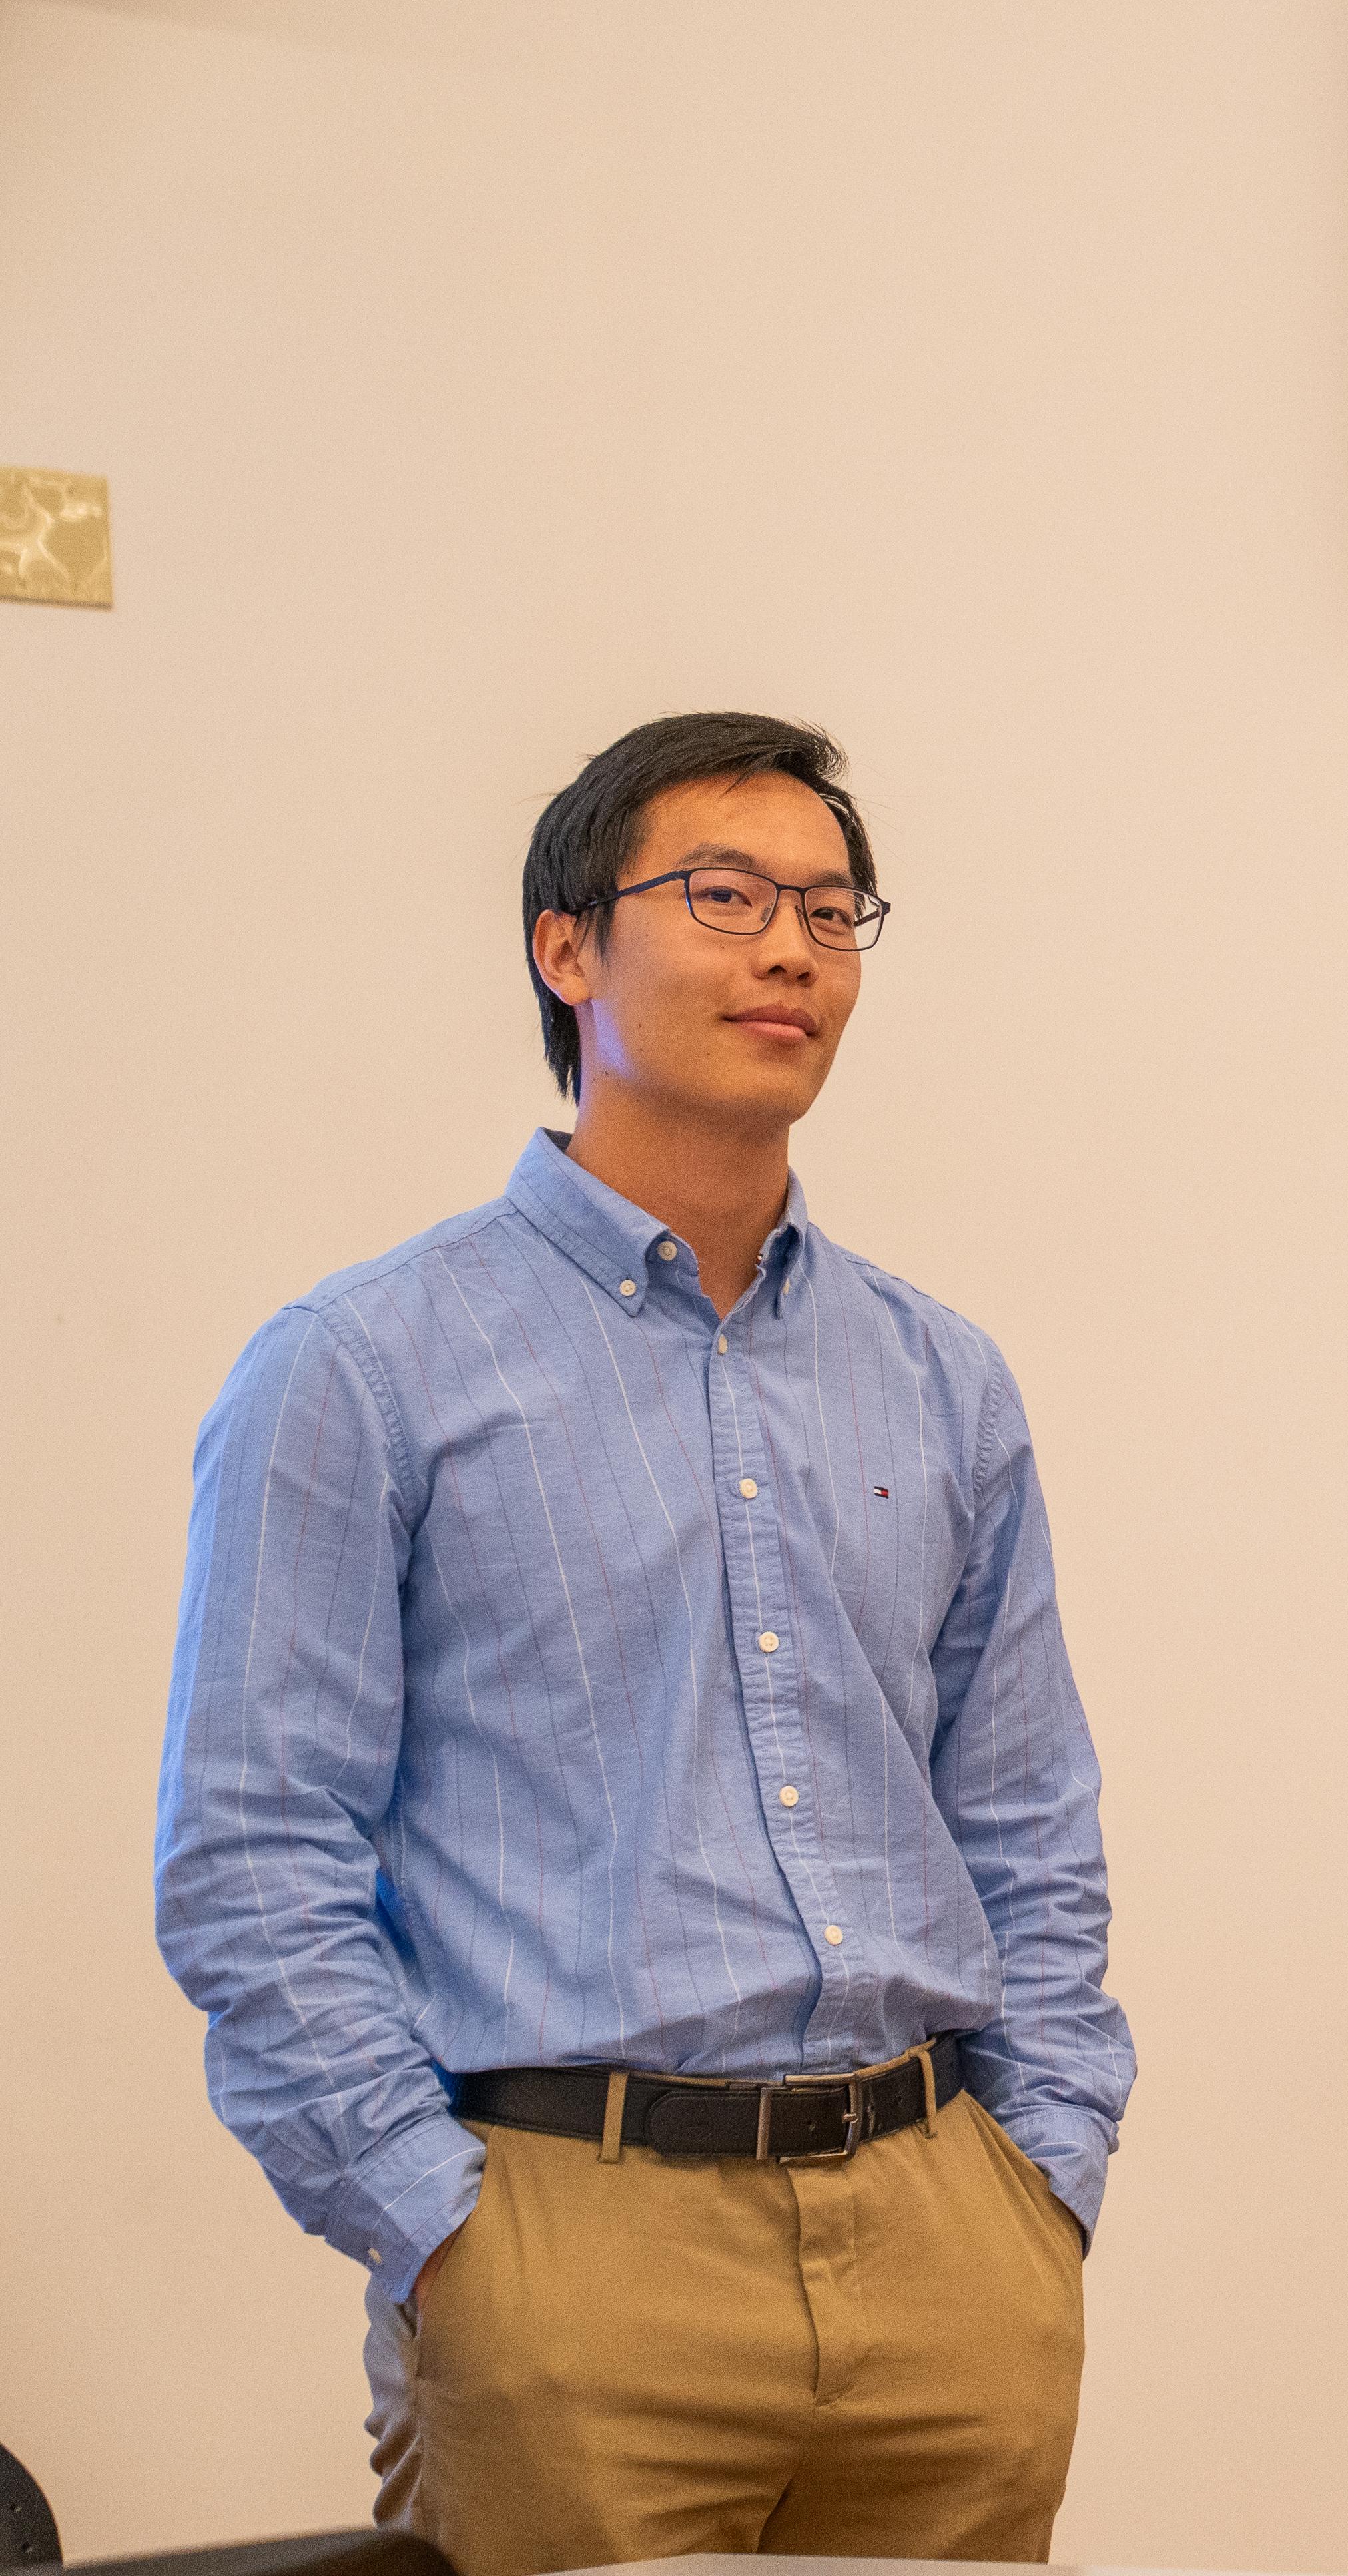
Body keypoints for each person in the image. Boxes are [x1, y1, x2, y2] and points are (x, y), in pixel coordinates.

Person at [155, 716, 1131, 2576]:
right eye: (727, 897)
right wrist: (446, 2234)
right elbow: (250, 1855)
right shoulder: (364, 1368)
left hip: (949, 2251)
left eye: (833, 913)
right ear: (568, 947)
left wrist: (1044, 2182)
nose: (791, 953)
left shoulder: (940, 1375)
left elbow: (1027, 1824)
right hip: (567, 2248)